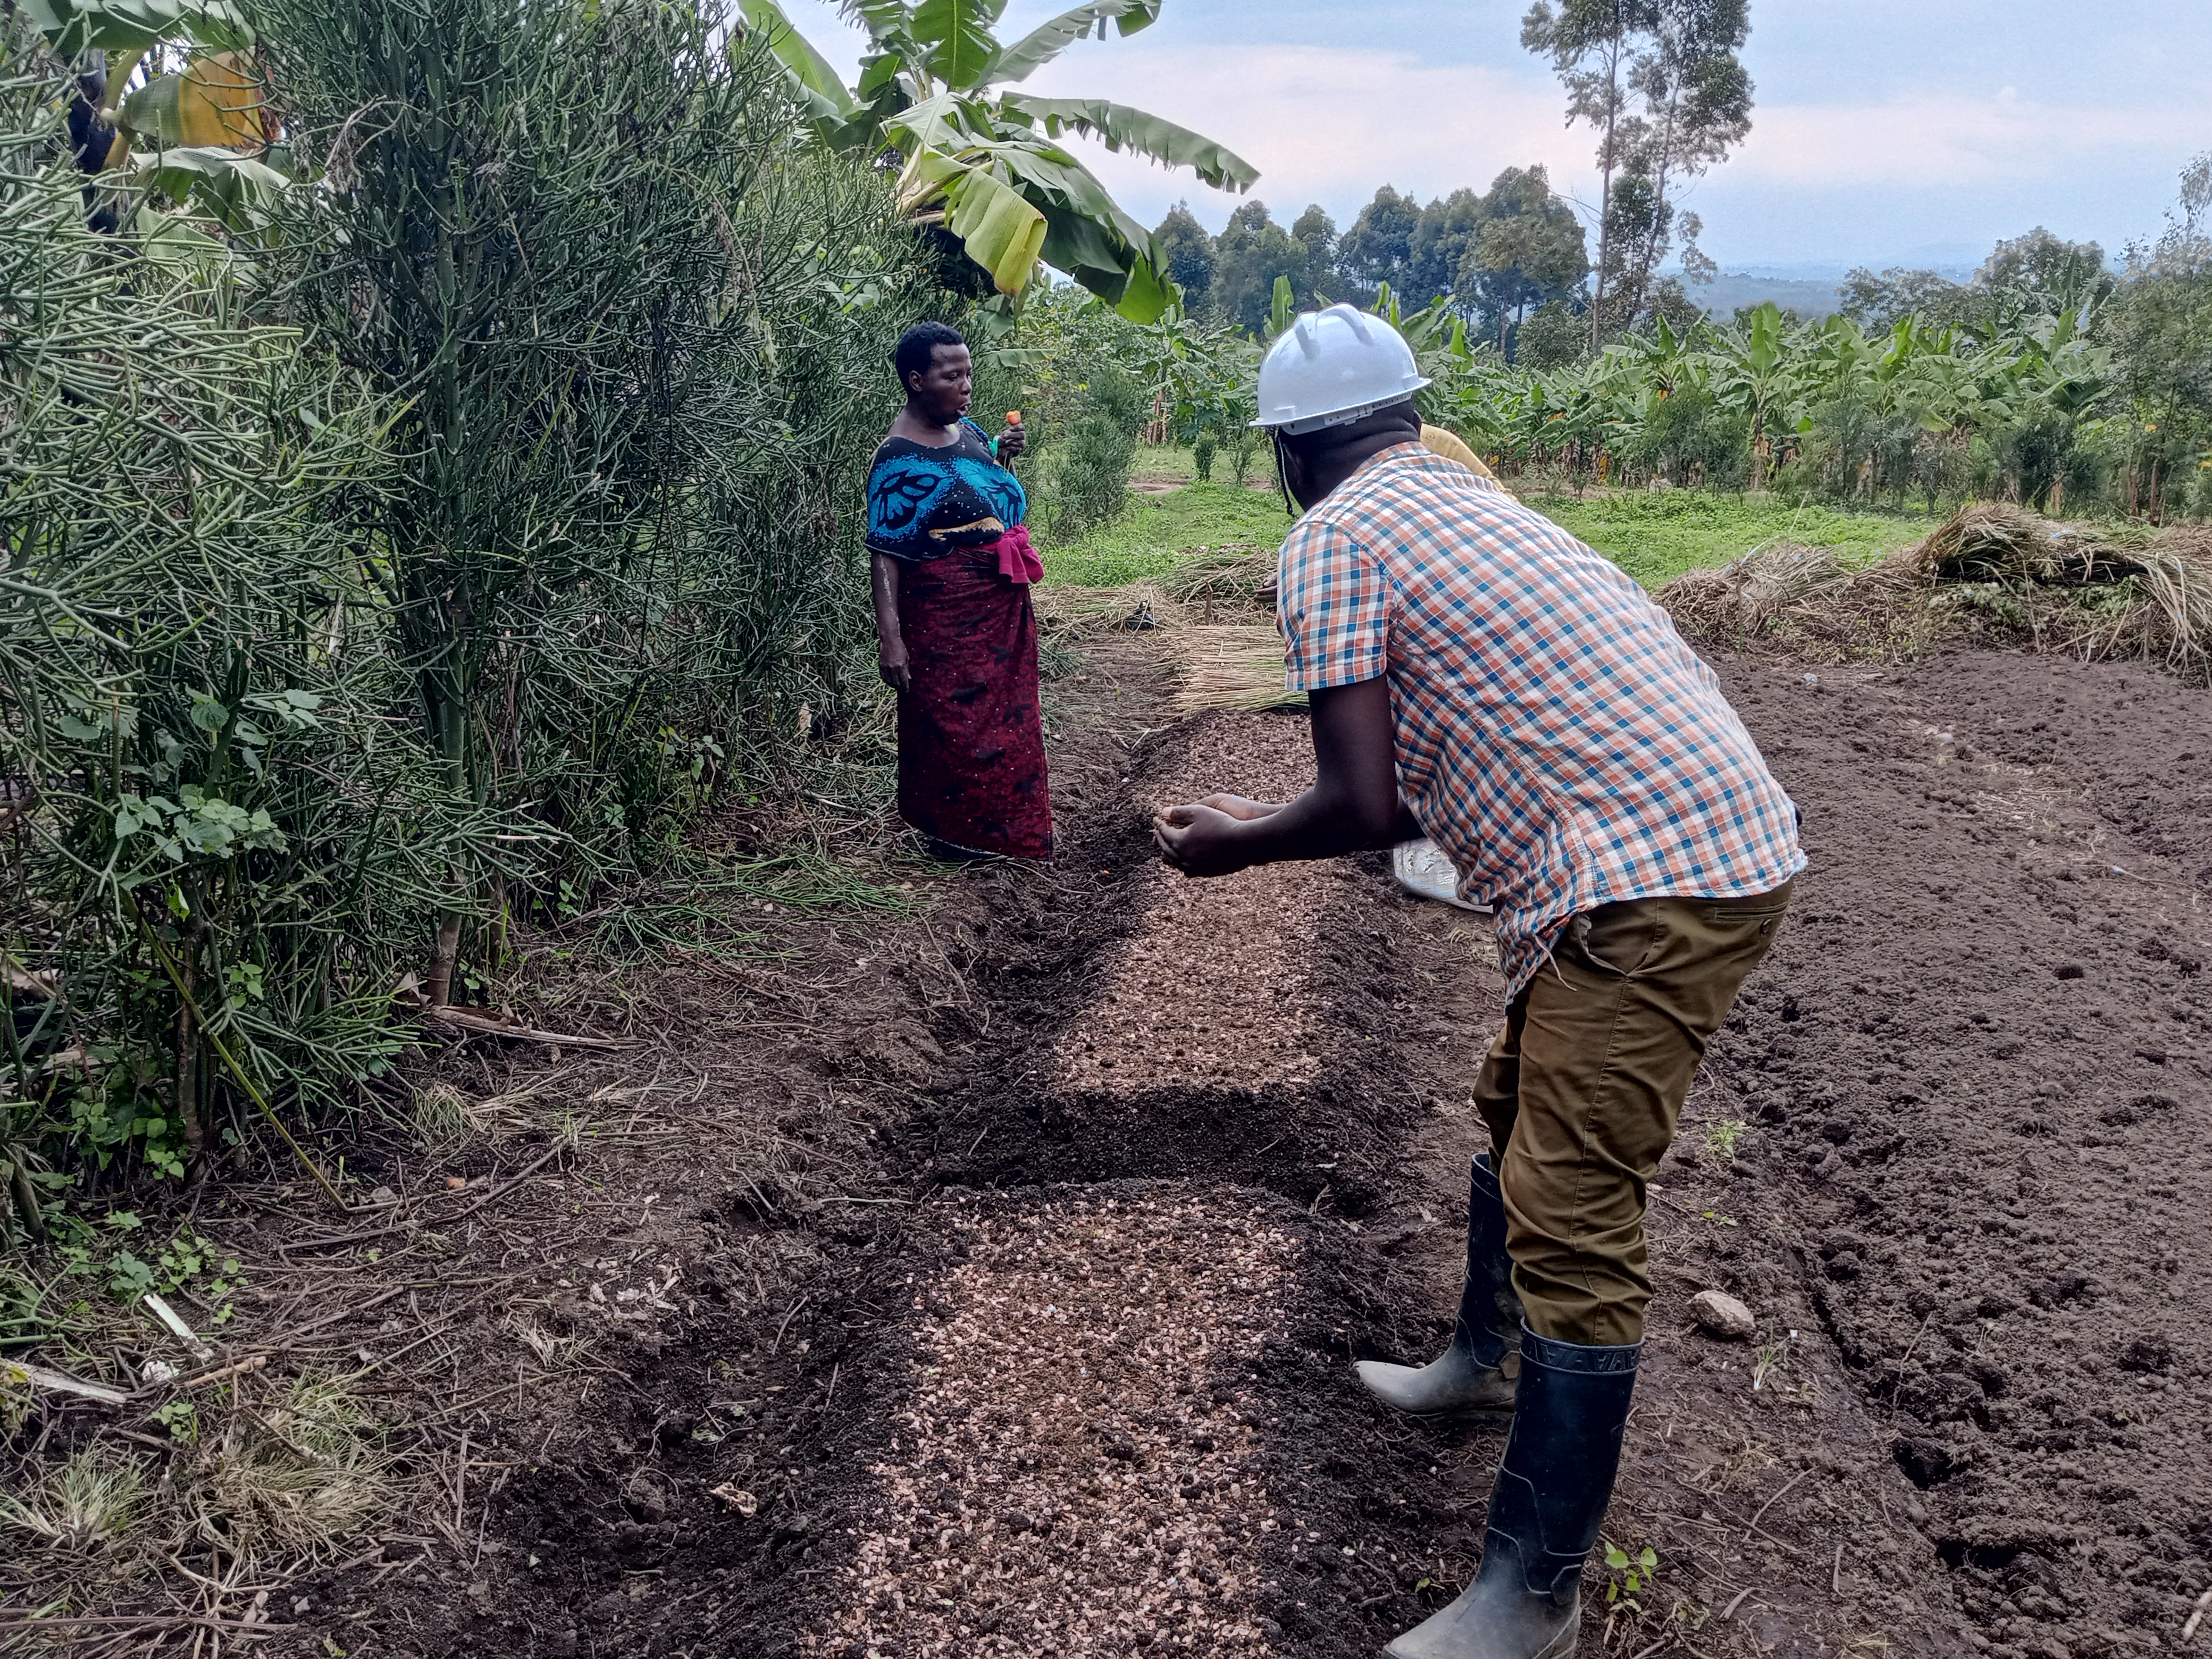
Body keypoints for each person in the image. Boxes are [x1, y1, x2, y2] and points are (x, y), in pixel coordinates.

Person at [1152, 305, 1803, 1659]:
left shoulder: (1332, 538)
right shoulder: (1463, 498)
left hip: (1649, 882)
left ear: (1287, 451)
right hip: (1686, 843)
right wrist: (1265, 813)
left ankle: (1531, 1591)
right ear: (1402, 417)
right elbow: (1393, 782)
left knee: (1573, 1207)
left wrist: (1233, 847)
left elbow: (1361, 802)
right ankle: (1483, 1362)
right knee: (1516, 1101)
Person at [868, 321, 1053, 862]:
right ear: (916, 381)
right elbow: (885, 552)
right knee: (952, 724)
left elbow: (975, 489)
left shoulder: (966, 431)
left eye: (968, 373)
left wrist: (1001, 450)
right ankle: (956, 839)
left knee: (1005, 719)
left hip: (997, 607)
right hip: (943, 617)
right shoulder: (897, 457)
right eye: (952, 376)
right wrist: (891, 639)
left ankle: (1005, 834)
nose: (966, 385)